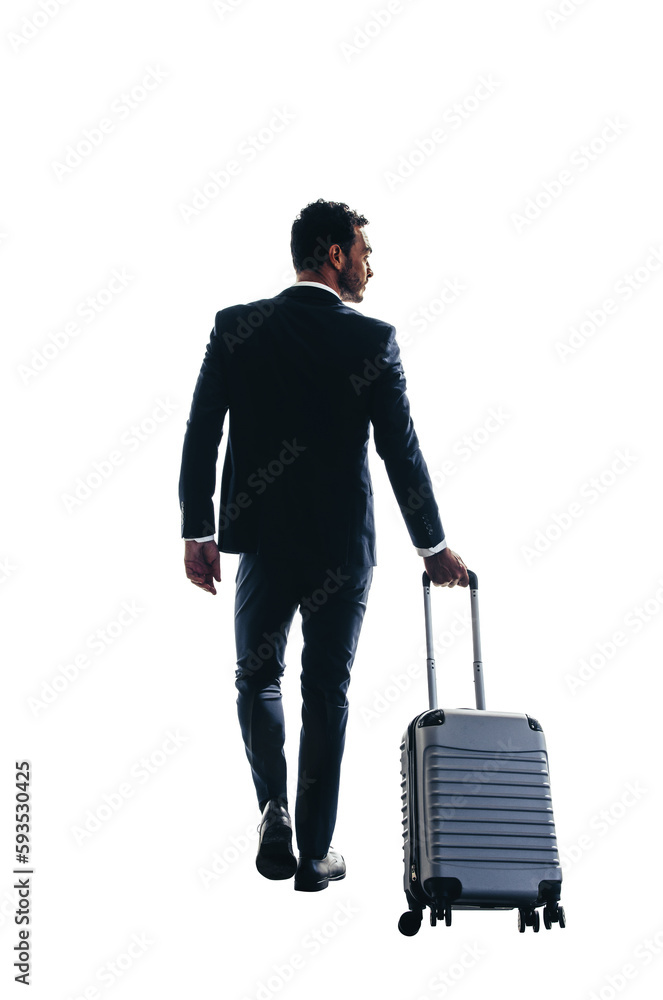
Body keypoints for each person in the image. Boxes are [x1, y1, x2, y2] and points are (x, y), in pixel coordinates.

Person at [178, 199, 468, 892]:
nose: (371, 264)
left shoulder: (236, 327)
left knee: (258, 675)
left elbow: (201, 433)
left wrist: (198, 529)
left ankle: (273, 808)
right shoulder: (372, 341)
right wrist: (433, 547)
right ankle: (314, 853)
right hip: (343, 545)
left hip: (261, 540)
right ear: (333, 253)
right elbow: (402, 454)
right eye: (364, 249)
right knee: (326, 692)